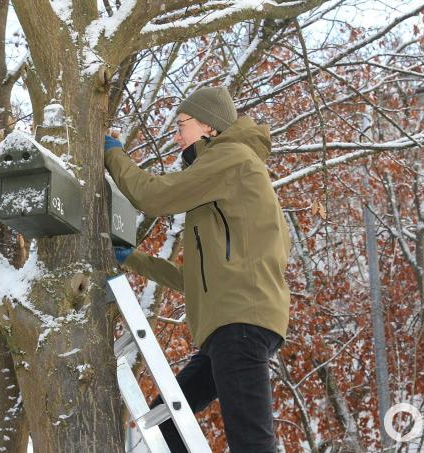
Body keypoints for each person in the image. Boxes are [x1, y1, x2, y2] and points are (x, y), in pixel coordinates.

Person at [104, 86, 291, 453]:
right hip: (227, 327)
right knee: (166, 426)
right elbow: (195, 279)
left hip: (239, 324)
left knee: (251, 442)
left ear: (208, 125)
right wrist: (133, 259)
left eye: (181, 125)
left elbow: (155, 196)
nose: (176, 136)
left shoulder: (231, 159)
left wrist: (113, 156)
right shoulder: (226, 174)